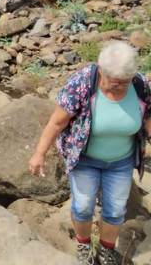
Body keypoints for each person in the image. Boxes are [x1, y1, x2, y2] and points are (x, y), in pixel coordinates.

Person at [29, 41, 151, 265]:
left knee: (115, 210)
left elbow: (147, 117)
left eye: (125, 82)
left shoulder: (140, 84)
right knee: (83, 206)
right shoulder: (83, 83)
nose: (120, 88)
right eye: (114, 83)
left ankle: (106, 250)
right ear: (101, 69)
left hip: (121, 161)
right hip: (85, 159)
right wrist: (39, 153)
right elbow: (57, 123)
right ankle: (83, 244)